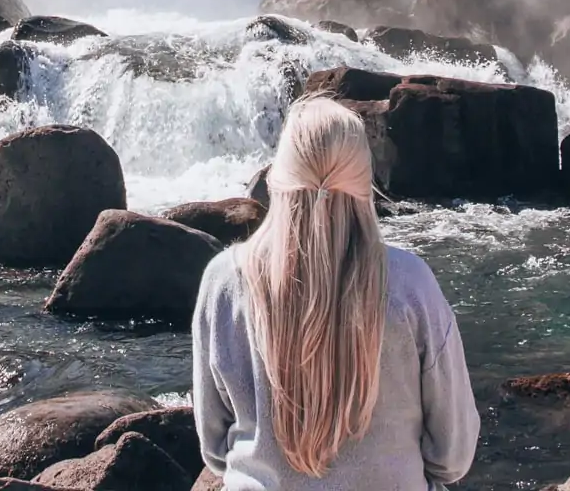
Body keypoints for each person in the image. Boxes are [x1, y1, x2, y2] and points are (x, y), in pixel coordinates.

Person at [192, 95, 480, 490]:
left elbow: (213, 447)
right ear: (363, 181)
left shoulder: (223, 281)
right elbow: (454, 454)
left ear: (278, 176)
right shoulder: (411, 285)